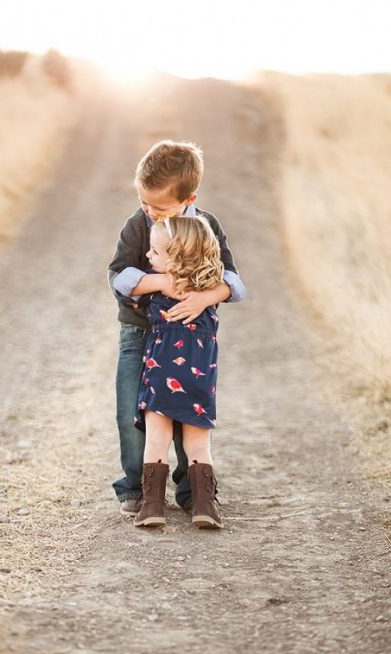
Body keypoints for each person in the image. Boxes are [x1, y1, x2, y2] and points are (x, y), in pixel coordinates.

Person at [108, 140, 247, 516]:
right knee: (131, 413)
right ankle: (137, 488)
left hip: (189, 337)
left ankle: (192, 492)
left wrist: (205, 297)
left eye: (159, 206)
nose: (150, 212)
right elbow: (118, 276)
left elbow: (233, 280)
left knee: (188, 411)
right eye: (144, 202)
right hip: (139, 335)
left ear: (189, 198)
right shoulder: (138, 226)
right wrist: (161, 283)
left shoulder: (206, 226)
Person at [129, 215, 228, 528]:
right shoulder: (209, 293)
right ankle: (205, 506)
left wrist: (153, 284)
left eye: (155, 253)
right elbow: (235, 287)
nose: (148, 257)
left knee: (157, 440)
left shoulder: (155, 291)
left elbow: (124, 285)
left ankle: (152, 507)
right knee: (198, 445)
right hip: (200, 377)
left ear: (175, 259)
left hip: (161, 375)